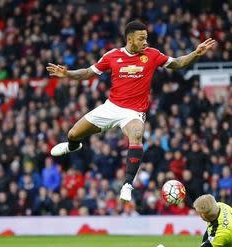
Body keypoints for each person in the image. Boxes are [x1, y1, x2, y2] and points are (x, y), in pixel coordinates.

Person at [46, 21, 216, 202]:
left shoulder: (152, 55)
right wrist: (68, 74)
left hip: (133, 112)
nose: (145, 42)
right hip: (111, 107)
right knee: (72, 133)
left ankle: (127, 184)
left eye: (146, 38)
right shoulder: (112, 55)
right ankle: (73, 146)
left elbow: (177, 63)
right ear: (130, 39)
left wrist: (195, 54)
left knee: (136, 134)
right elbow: (88, 72)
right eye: (141, 38)